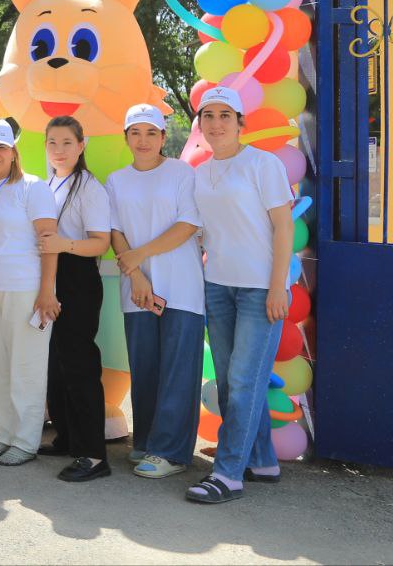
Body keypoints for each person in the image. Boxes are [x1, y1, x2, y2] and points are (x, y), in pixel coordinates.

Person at [187, 86, 294, 504]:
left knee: (246, 380)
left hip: (259, 289)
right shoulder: (200, 173)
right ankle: (263, 460)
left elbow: (283, 226)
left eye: (224, 115)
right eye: (208, 116)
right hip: (218, 286)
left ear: (240, 122)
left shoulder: (263, 164)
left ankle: (228, 474)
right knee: (233, 383)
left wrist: (277, 286)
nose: (216, 123)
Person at [105, 104, 204, 480]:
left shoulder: (181, 172)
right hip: (137, 288)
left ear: (163, 137)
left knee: (178, 369)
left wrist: (139, 255)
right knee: (144, 367)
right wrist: (136, 275)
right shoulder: (116, 180)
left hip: (180, 286)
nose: (143, 140)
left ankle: (172, 452)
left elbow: (188, 224)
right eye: (135, 133)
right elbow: (115, 231)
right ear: (126, 138)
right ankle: (147, 441)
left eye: (151, 133)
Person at [0, 118, 59, 466]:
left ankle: (26, 441)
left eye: (1, 147)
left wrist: (47, 292)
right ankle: (5, 435)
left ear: (13, 151)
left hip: (26, 288)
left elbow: (49, 241)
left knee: (26, 365)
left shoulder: (32, 187)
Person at [36, 116, 112, 482]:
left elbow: (101, 243)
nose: (59, 150)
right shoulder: (49, 183)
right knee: (56, 365)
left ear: (81, 146)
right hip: (51, 275)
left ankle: (93, 455)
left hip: (78, 277)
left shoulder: (89, 188)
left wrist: (62, 244)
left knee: (79, 366)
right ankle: (67, 437)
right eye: (53, 142)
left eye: (67, 142)